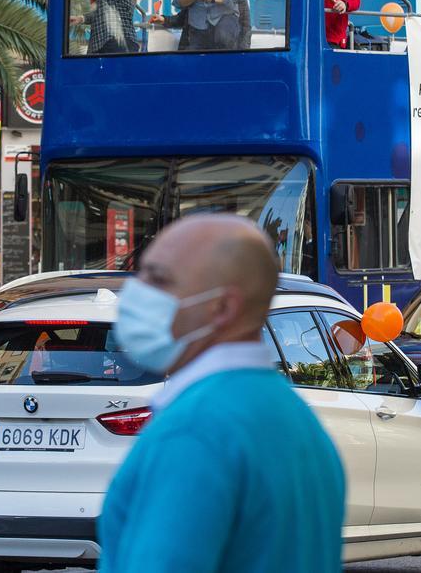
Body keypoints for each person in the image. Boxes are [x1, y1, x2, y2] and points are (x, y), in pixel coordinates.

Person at [100, 214, 344, 573]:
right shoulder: (300, 423)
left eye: (159, 279)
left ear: (224, 306)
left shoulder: (194, 430)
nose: (138, 292)